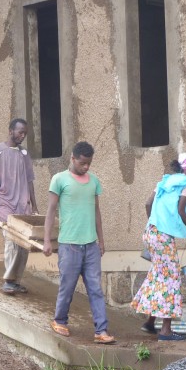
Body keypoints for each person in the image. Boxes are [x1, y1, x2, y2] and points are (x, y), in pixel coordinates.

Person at [131, 152, 186, 341]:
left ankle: (150, 322)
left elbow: (148, 204)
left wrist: (156, 223)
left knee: (158, 276)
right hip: (162, 236)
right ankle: (166, 331)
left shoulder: (166, 181)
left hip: (151, 232)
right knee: (171, 278)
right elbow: (180, 211)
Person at [43, 142, 115, 344]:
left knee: (95, 289)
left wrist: (101, 240)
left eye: (89, 163)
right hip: (69, 245)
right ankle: (59, 321)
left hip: (91, 245)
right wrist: (47, 240)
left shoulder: (94, 182)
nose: (86, 167)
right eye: (83, 163)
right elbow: (50, 211)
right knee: (67, 286)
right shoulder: (59, 180)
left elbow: (96, 212)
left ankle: (101, 330)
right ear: (73, 159)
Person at [0, 118, 38, 295]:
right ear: (10, 131)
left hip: (22, 204)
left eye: (25, 133)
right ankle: (8, 280)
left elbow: (30, 181)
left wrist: (34, 206)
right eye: (20, 132)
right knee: (12, 239)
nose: (23, 136)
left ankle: (16, 281)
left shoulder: (24, 154)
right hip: (3, 202)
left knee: (23, 243)